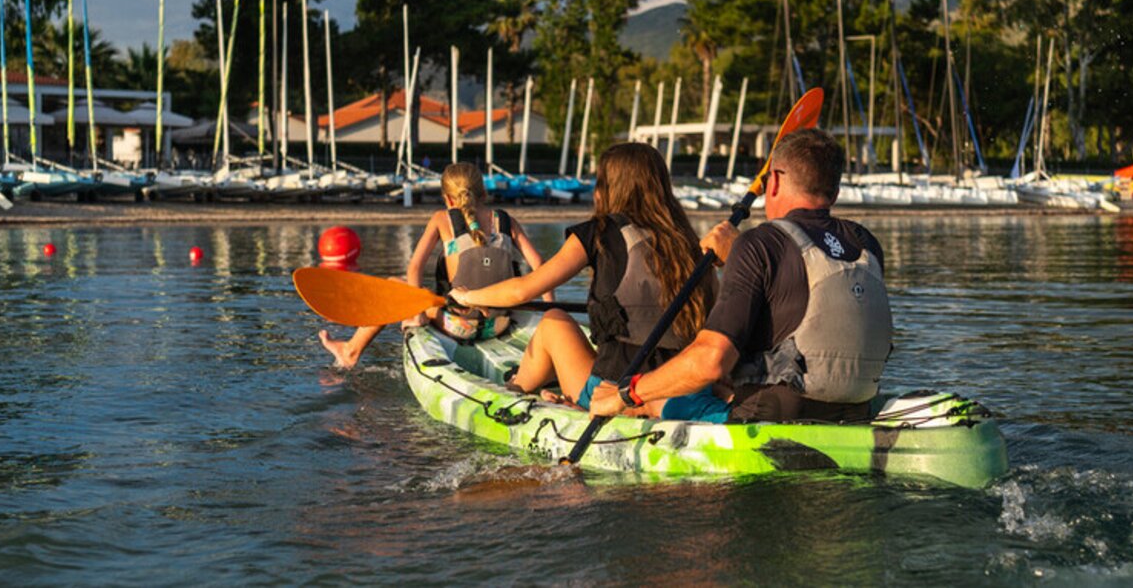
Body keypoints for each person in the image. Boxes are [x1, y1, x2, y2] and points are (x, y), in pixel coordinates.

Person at [581, 129, 894, 423]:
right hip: (856, 412)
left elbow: (711, 360)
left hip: (769, 418)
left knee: (661, 401)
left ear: (773, 182)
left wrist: (626, 394)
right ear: (835, 192)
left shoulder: (760, 243)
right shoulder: (865, 243)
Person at [449, 143, 716, 415]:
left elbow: (523, 291)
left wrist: (467, 297)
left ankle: (514, 391)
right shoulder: (688, 241)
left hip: (615, 392)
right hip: (682, 385)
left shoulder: (598, 233)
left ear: (609, 188)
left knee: (553, 321)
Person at [319, 162, 546, 368]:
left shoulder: (441, 219)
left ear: (448, 199)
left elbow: (415, 268)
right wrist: (549, 310)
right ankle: (351, 350)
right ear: (483, 193)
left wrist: (417, 314)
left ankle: (351, 351)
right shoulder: (506, 221)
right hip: (499, 324)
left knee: (393, 285)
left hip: (457, 325)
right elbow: (540, 267)